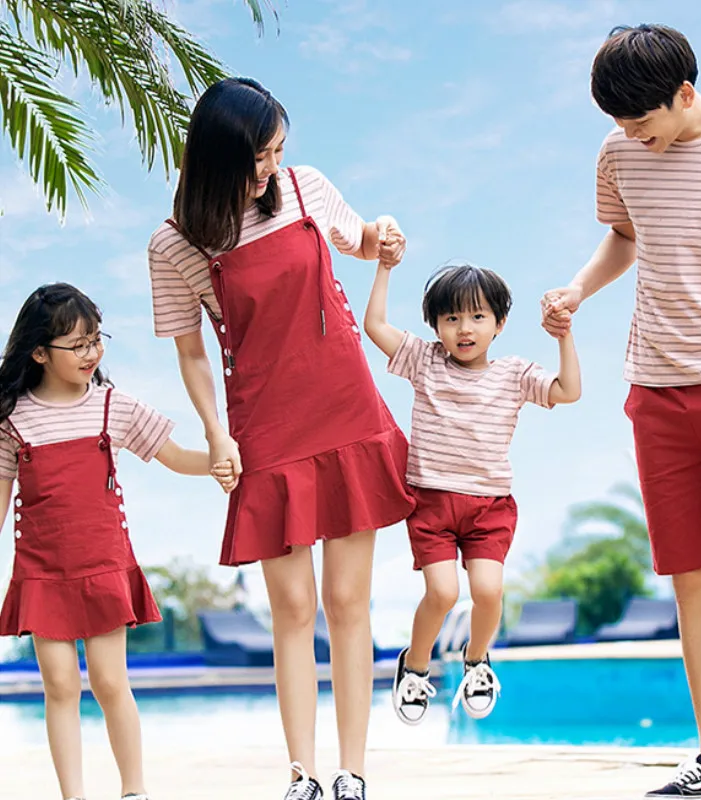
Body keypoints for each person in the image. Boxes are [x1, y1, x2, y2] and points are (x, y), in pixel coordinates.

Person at [541, 24, 701, 799]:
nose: (630, 139)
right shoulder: (620, 152)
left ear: (684, 94)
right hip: (655, 390)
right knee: (692, 579)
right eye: (618, 127)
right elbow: (625, 236)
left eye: (642, 123)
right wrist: (580, 290)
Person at [147, 77, 414, 800]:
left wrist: (383, 234)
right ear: (216, 157)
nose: (271, 168)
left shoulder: (305, 189)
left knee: (348, 603)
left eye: (277, 152)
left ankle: (352, 772)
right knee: (293, 611)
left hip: (347, 409)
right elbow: (192, 352)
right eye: (258, 156)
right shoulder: (176, 243)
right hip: (265, 426)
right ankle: (302, 775)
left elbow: (360, 242)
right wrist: (215, 433)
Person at [0, 283, 233, 800]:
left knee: (109, 683)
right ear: (39, 352)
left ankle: (134, 792)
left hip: (104, 565)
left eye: (95, 340)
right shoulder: (13, 419)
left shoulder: (112, 406)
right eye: (77, 345)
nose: (91, 353)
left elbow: (173, 455)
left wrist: (219, 463)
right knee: (59, 686)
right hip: (42, 571)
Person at [364, 260, 580, 725]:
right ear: (436, 326)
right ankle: (416, 666)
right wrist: (384, 266)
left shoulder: (514, 373)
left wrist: (563, 335)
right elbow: (375, 326)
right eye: (452, 318)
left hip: (489, 506)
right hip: (433, 503)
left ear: (500, 324)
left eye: (478, 316)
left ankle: (477, 660)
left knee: (488, 591)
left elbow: (568, 391)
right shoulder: (424, 362)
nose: (465, 328)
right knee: (441, 594)